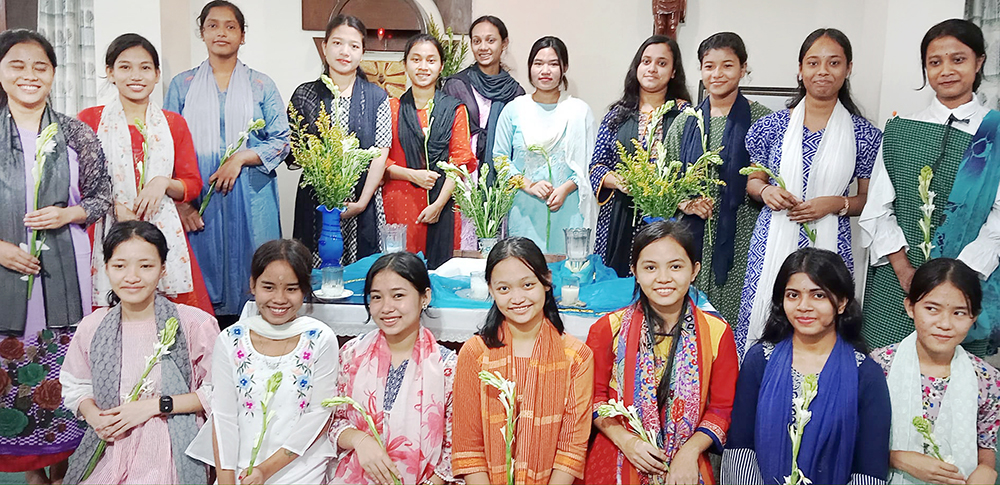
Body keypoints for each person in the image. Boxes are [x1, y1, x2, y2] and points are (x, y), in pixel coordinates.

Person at [0, 29, 112, 485]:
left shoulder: (74, 132)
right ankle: (29, 473)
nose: (29, 75)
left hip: (67, 273)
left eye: (40, 67)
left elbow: (103, 194)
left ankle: (63, 466)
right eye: (17, 65)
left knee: (66, 367)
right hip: (4, 277)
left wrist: (69, 212)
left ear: (53, 74)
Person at [737, 29, 882, 357]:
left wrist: (835, 203)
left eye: (834, 63)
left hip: (833, 239)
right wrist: (767, 191)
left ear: (848, 69)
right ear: (800, 69)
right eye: (813, 62)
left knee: (827, 310)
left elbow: (867, 199)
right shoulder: (771, 126)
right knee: (768, 310)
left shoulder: (864, 134)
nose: (823, 71)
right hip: (773, 234)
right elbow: (752, 181)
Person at [861, 19, 1000, 355]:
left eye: (958, 59)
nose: (946, 70)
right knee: (884, 378)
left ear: (979, 62)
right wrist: (904, 271)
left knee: (953, 386)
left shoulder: (994, 136)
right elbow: (878, 208)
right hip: (897, 286)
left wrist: (958, 279)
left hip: (967, 288)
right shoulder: (899, 131)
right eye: (934, 62)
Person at [61, 221, 219, 484]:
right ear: (106, 268)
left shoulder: (194, 323)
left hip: (170, 449)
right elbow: (76, 384)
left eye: (145, 266)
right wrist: (93, 415)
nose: (131, 276)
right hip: (110, 445)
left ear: (163, 269)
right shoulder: (93, 325)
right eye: (120, 266)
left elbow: (219, 392)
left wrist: (153, 407)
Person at [164, 0, 290, 323]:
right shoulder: (182, 86)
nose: (222, 32)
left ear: (242, 36)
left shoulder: (261, 85)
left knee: (257, 277)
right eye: (213, 25)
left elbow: (282, 141)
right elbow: (166, 148)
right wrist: (182, 206)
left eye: (230, 26)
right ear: (202, 33)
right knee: (197, 295)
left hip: (252, 198)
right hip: (199, 203)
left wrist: (242, 157)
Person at [585, 221, 738, 484]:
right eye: (650, 267)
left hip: (686, 461)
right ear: (634, 271)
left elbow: (721, 409)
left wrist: (689, 452)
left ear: (694, 271)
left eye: (676, 266)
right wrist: (627, 441)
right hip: (618, 452)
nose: (663, 278)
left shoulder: (717, 332)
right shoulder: (608, 328)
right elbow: (593, 399)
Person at [721, 248, 891, 485]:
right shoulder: (760, 360)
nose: (803, 306)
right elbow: (741, 448)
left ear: (842, 302)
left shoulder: (866, 374)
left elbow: (869, 469)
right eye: (793, 295)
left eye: (818, 295)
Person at [79, 33, 213, 315]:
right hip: (105, 230)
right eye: (125, 67)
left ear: (156, 74)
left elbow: (192, 184)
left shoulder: (173, 123)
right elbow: (77, 183)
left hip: (161, 229)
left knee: (173, 321)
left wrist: (162, 183)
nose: (135, 76)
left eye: (145, 67)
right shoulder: (89, 120)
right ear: (110, 73)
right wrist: (111, 205)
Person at [185, 239, 338, 484]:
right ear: (252, 284)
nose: (279, 299)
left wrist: (265, 471)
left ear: (305, 290)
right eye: (268, 287)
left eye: (291, 289)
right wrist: (226, 480)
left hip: (301, 465)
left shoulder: (320, 339)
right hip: (239, 467)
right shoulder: (231, 339)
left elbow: (318, 416)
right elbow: (223, 417)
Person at [452, 238, 593, 484]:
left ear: (546, 281)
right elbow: (468, 448)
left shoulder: (576, 357)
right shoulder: (475, 353)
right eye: (504, 289)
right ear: (491, 289)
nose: (517, 298)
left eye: (527, 284)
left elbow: (571, 450)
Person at [662, 32, 772, 323]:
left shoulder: (764, 121)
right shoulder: (685, 122)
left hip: (742, 235)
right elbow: (666, 182)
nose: (717, 74)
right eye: (709, 66)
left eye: (727, 65)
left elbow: (772, 178)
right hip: (690, 237)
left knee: (733, 320)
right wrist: (685, 202)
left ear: (743, 68)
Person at [329, 252, 457, 484]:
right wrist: (359, 440)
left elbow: (454, 445)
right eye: (376, 297)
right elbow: (334, 420)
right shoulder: (352, 354)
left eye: (398, 295)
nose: (386, 307)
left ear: (424, 297)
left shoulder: (446, 367)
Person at [871, 258, 998, 485]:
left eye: (959, 313)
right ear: (910, 307)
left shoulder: (987, 378)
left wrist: (988, 470)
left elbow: (985, 444)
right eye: (932, 309)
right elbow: (854, 437)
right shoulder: (878, 366)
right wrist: (897, 458)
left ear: (974, 317)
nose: (945, 324)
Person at [288, 15, 391, 267]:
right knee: (316, 273)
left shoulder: (377, 96)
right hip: (315, 201)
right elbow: (293, 151)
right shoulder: (305, 94)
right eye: (337, 43)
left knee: (362, 274)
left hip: (362, 200)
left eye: (354, 46)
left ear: (363, 52)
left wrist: (361, 202)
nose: (345, 52)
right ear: (324, 47)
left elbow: (380, 153)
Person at [590, 35, 691, 277]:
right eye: (646, 61)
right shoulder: (618, 114)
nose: (652, 69)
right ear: (637, 66)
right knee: (616, 283)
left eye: (662, 63)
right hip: (619, 214)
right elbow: (597, 166)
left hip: (668, 215)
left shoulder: (685, 114)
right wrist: (619, 181)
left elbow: (692, 166)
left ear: (674, 71)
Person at [493, 36, 596, 254]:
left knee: (569, 274)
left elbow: (590, 162)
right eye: (538, 63)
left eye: (553, 64)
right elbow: (500, 158)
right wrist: (528, 184)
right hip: (524, 208)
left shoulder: (579, 111)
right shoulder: (514, 109)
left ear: (564, 67)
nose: (545, 70)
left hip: (569, 207)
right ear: (530, 67)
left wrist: (566, 188)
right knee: (525, 270)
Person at [383, 34, 475, 269]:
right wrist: (411, 174)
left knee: (439, 273)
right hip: (399, 203)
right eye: (416, 59)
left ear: (441, 66)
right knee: (399, 271)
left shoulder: (455, 110)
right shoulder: (391, 108)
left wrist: (438, 205)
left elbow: (460, 162)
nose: (423, 67)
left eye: (431, 60)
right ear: (405, 64)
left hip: (441, 204)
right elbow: (380, 163)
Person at [442, 15, 525, 250]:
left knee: (497, 247)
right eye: (477, 41)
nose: (483, 47)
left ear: (504, 43)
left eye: (490, 40)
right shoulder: (455, 85)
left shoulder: (515, 92)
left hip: (499, 177)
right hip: (463, 177)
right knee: (463, 246)